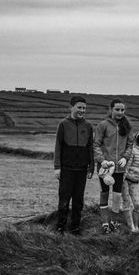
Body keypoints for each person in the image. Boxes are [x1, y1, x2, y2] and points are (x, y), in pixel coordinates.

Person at [53, 96, 94, 235]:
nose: (82, 110)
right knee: (64, 199)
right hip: (66, 169)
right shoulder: (63, 124)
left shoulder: (88, 126)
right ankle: (60, 227)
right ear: (71, 107)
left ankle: (75, 228)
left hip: (82, 169)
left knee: (78, 200)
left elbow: (90, 147)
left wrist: (91, 167)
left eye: (84, 108)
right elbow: (58, 146)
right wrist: (57, 167)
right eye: (79, 107)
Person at [93, 98, 134, 234]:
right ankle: (105, 222)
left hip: (119, 168)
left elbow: (130, 144)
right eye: (117, 109)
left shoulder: (127, 126)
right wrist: (101, 160)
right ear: (110, 110)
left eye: (122, 110)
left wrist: (125, 157)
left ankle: (114, 222)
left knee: (117, 195)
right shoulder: (103, 125)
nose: (120, 112)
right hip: (105, 168)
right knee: (104, 194)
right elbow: (96, 144)